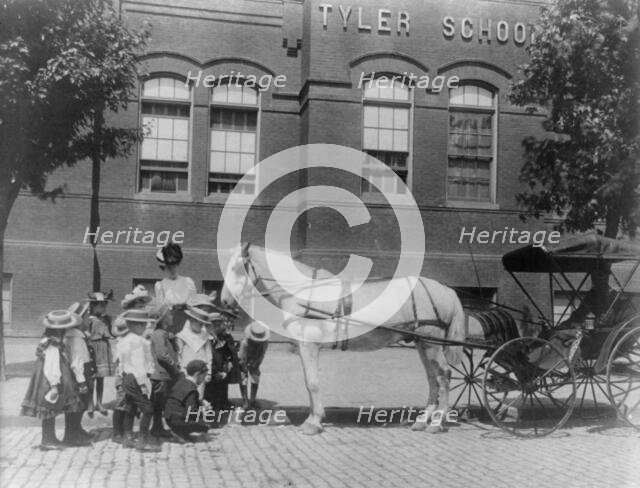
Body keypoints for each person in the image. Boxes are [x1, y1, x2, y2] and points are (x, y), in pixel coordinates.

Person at [21, 310, 84, 450]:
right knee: (49, 408)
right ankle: (48, 439)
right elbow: (51, 366)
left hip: (44, 379)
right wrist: (54, 386)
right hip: (49, 381)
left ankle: (50, 438)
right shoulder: (53, 345)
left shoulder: (46, 340)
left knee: (49, 409)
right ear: (60, 330)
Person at [114, 309, 160, 452]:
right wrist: (143, 385)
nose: (145, 328)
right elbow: (139, 365)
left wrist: (122, 376)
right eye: (143, 325)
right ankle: (142, 439)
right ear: (135, 326)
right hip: (136, 378)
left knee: (130, 407)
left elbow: (120, 362)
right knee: (148, 408)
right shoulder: (139, 342)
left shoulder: (123, 341)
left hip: (126, 377)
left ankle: (127, 437)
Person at [147, 300, 180, 440]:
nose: (172, 316)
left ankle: (157, 427)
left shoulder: (163, 333)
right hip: (160, 376)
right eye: (170, 314)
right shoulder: (159, 334)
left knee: (159, 405)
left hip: (164, 376)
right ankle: (156, 428)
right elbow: (162, 354)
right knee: (158, 404)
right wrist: (174, 365)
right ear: (164, 318)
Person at [63, 305, 95, 444]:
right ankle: (71, 435)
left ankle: (76, 429)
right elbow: (76, 362)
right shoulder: (75, 338)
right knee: (77, 404)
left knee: (81, 404)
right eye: (87, 316)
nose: (89, 318)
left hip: (81, 372)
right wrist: (82, 381)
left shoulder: (77, 335)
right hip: (79, 375)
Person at [154, 243, 196, 334]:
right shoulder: (160, 285)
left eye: (174, 265)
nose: (172, 269)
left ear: (178, 264)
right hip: (170, 322)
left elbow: (194, 305)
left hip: (186, 322)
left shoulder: (188, 282)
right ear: (165, 265)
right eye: (169, 266)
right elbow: (161, 310)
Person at [164, 359, 210, 442]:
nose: (204, 379)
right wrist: (203, 411)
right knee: (205, 425)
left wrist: (201, 403)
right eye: (204, 375)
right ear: (197, 374)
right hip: (177, 419)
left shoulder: (182, 381)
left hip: (169, 417)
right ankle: (179, 432)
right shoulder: (192, 389)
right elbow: (191, 411)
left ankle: (181, 432)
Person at [175, 303, 213, 399]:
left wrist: (209, 372)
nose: (200, 326)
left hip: (201, 371)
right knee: (187, 394)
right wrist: (180, 369)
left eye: (202, 324)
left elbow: (209, 355)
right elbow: (178, 354)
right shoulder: (183, 335)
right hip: (186, 370)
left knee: (199, 396)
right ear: (191, 321)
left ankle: (197, 413)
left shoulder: (205, 336)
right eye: (198, 323)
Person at [86, 291, 115, 416]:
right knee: (91, 378)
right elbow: (86, 335)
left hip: (103, 347)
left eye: (105, 305)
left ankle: (99, 402)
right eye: (101, 305)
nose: (103, 308)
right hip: (92, 348)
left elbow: (111, 333)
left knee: (101, 378)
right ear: (93, 306)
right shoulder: (88, 320)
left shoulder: (107, 319)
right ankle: (90, 403)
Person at [205, 314, 240, 411]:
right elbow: (208, 356)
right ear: (212, 325)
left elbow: (226, 354)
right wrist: (215, 371)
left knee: (222, 385)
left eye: (220, 324)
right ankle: (213, 406)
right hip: (211, 367)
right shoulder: (207, 338)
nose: (221, 326)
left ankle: (221, 403)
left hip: (221, 366)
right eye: (218, 325)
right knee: (211, 387)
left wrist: (225, 368)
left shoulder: (221, 337)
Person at [238, 322, 270, 409]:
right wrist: (244, 366)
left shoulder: (264, 343)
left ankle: (253, 400)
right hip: (244, 360)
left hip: (255, 360)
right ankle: (245, 400)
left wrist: (256, 364)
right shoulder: (244, 343)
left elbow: (262, 355)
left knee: (255, 377)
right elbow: (241, 357)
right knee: (243, 378)